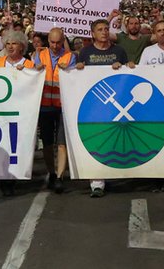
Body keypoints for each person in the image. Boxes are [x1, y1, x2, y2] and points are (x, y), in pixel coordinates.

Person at [76, 19, 134, 198]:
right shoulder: (85, 52)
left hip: (117, 104)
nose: (103, 32)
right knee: (97, 140)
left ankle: (118, 172)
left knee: (116, 140)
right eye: (100, 29)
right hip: (93, 105)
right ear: (92, 34)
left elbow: (128, 74)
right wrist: (79, 68)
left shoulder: (118, 51)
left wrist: (126, 66)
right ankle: (96, 182)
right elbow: (79, 77)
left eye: (106, 29)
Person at [37, 27, 75, 194]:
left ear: (63, 40)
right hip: (44, 106)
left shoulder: (71, 57)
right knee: (47, 143)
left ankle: (59, 176)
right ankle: (51, 172)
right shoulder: (39, 55)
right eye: (52, 42)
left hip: (63, 106)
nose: (55, 45)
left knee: (61, 143)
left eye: (58, 42)